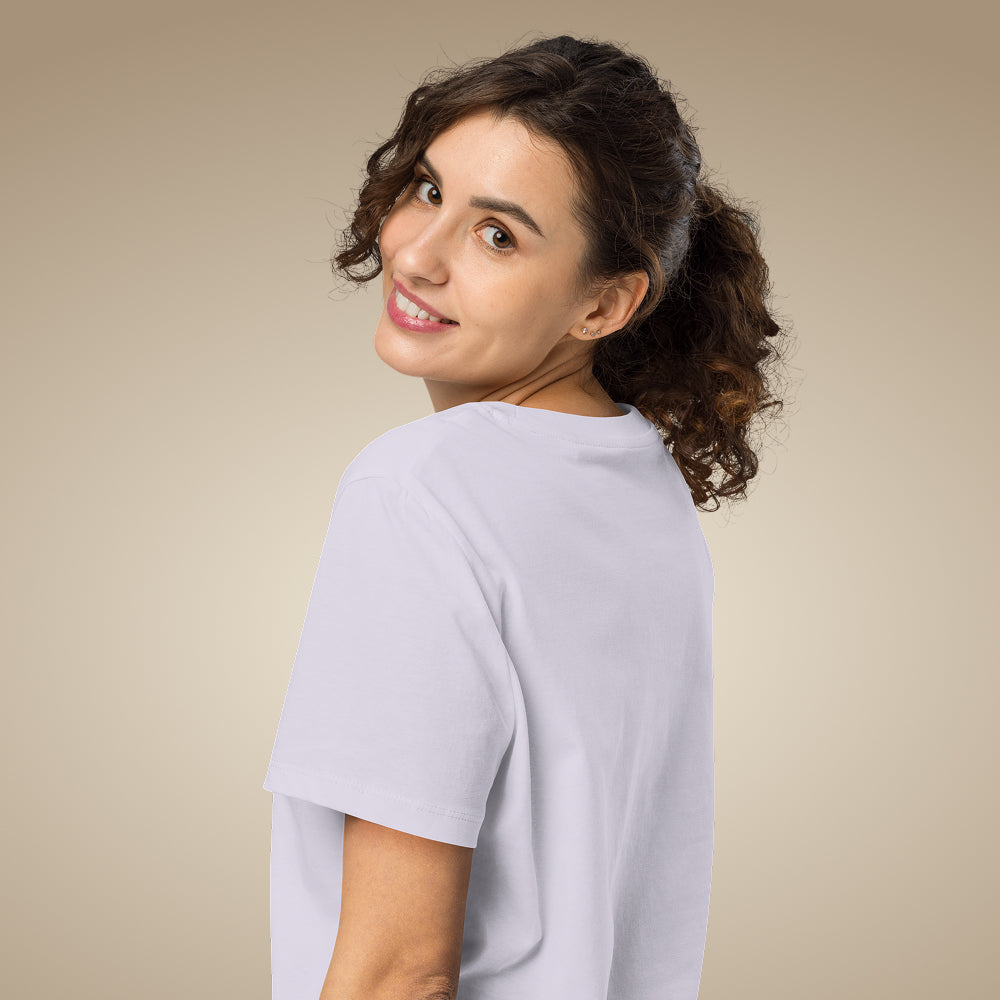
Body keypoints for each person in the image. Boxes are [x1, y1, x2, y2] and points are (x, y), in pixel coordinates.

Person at [263, 32, 788, 1000]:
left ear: (604, 304)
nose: (417, 254)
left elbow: (398, 969)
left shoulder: (421, 485)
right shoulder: (639, 483)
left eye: (497, 233)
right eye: (427, 190)